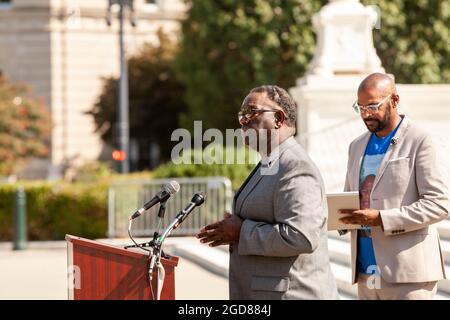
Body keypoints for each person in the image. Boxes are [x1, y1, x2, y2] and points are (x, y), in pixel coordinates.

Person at [196, 85, 338, 300]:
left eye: (251, 112)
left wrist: (241, 231)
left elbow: (302, 236)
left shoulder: (295, 166)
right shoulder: (271, 162)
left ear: (278, 119)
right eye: (241, 115)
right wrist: (236, 224)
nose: (243, 121)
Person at [340, 73, 449, 299]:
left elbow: (439, 204)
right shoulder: (356, 146)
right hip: (365, 273)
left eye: (372, 106)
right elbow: (349, 196)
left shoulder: (422, 140)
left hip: (409, 275)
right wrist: (338, 216)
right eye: (359, 107)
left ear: (395, 100)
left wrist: (381, 218)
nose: (365, 114)